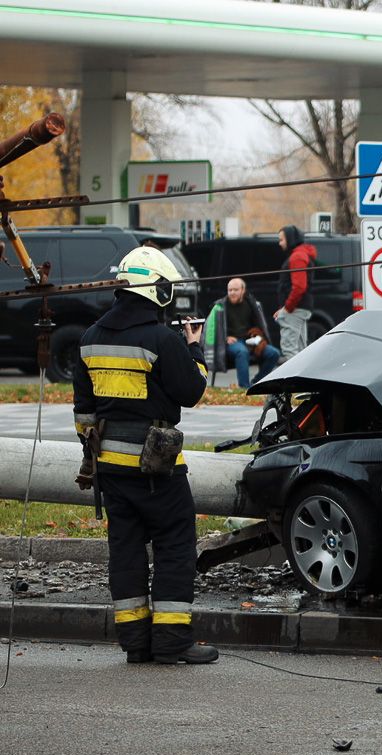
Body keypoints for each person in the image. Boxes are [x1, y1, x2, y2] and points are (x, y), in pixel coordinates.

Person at [72, 246, 218, 665]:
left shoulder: (89, 338)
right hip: (158, 472)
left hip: (111, 474)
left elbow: (84, 416)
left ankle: (136, 642)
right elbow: (191, 392)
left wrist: (100, 451)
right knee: (174, 545)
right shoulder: (161, 339)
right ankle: (172, 641)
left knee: (127, 551)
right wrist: (194, 349)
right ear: (155, 288)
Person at [203, 277, 280, 389]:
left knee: (274, 353)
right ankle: (244, 388)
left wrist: (259, 336)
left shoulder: (252, 304)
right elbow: (210, 329)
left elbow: (259, 325)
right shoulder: (219, 306)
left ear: (243, 290)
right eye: (230, 290)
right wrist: (224, 338)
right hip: (230, 343)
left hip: (250, 341)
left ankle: (257, 383)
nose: (232, 293)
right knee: (242, 351)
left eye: (236, 290)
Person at [274, 225, 315, 360]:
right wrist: (284, 309)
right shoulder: (302, 254)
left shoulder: (297, 257)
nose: (279, 243)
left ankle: (293, 382)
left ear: (290, 239)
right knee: (301, 352)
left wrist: (287, 308)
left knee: (290, 352)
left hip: (295, 310)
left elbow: (299, 287)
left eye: (281, 240)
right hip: (299, 308)